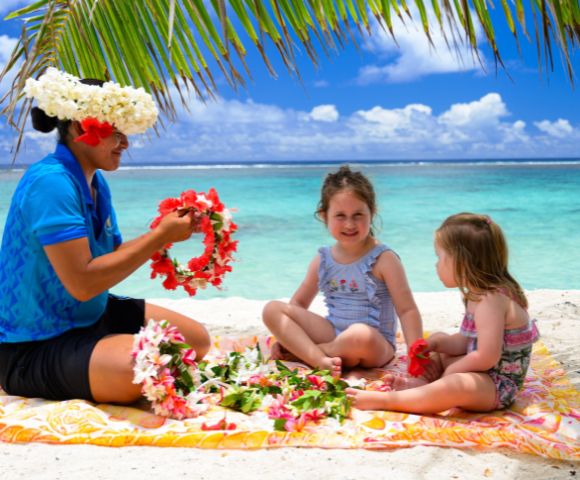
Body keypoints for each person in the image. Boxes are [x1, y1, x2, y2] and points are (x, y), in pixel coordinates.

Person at [0, 69, 210, 405]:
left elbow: (108, 259)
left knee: (196, 341)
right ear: (81, 127)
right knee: (142, 366)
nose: (125, 143)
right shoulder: (50, 182)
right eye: (116, 131)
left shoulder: (96, 183)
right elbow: (83, 283)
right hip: (32, 346)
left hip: (89, 316)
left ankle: (102, 352)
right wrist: (158, 237)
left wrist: (168, 233)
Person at [346, 212, 540, 413]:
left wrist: (452, 371)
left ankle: (388, 401)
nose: (436, 264)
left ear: (462, 262)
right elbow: (466, 340)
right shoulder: (478, 295)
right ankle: (421, 386)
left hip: (498, 385)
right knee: (439, 340)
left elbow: (486, 357)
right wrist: (437, 344)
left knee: (455, 384)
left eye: (440, 257)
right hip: (485, 372)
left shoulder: (490, 302)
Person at [262, 165, 423, 377]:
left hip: (374, 344)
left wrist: (415, 355)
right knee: (272, 309)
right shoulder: (323, 260)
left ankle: (312, 354)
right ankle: (320, 360)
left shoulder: (384, 259)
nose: (350, 223)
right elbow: (298, 306)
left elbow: (407, 310)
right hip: (333, 333)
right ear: (324, 216)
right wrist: (285, 337)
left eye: (358, 214)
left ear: (372, 213)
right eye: (340, 215)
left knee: (359, 335)